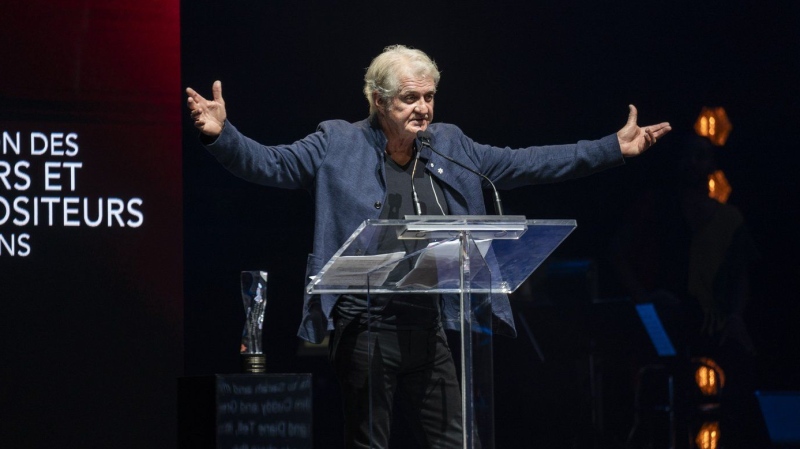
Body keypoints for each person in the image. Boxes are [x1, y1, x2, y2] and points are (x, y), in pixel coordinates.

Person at [186, 44, 671, 449]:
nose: (423, 108)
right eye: (410, 98)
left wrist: (612, 148)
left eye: (430, 97)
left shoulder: (451, 146)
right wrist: (223, 136)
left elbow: (530, 162)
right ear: (378, 100)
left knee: (457, 443)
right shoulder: (336, 142)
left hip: (431, 325)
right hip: (365, 326)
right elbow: (271, 164)